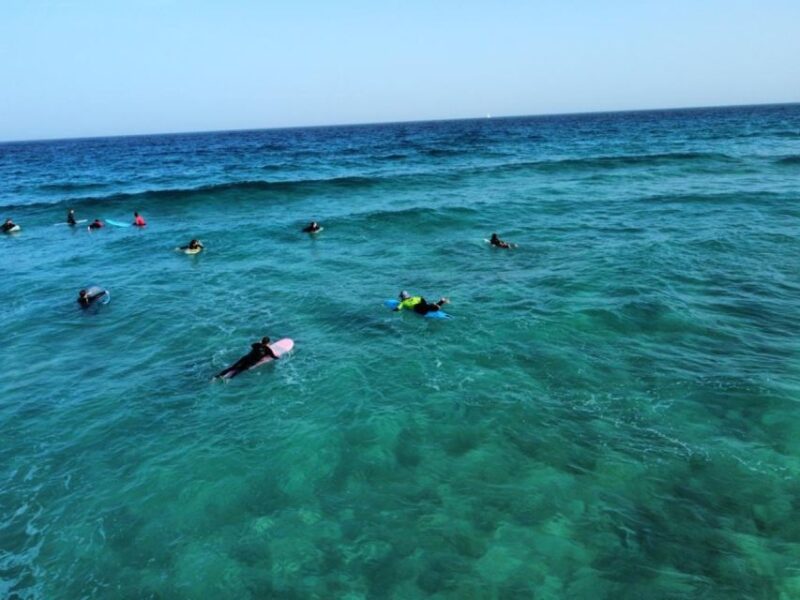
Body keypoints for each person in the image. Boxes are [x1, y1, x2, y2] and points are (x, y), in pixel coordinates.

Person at [215, 338, 279, 379]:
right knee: (240, 370)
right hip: (252, 362)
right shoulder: (268, 350)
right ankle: (229, 378)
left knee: (233, 367)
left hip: (246, 357)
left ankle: (217, 376)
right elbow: (274, 357)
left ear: (261, 341)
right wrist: (278, 356)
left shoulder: (256, 345)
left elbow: (252, 345)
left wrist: (260, 343)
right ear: (268, 343)